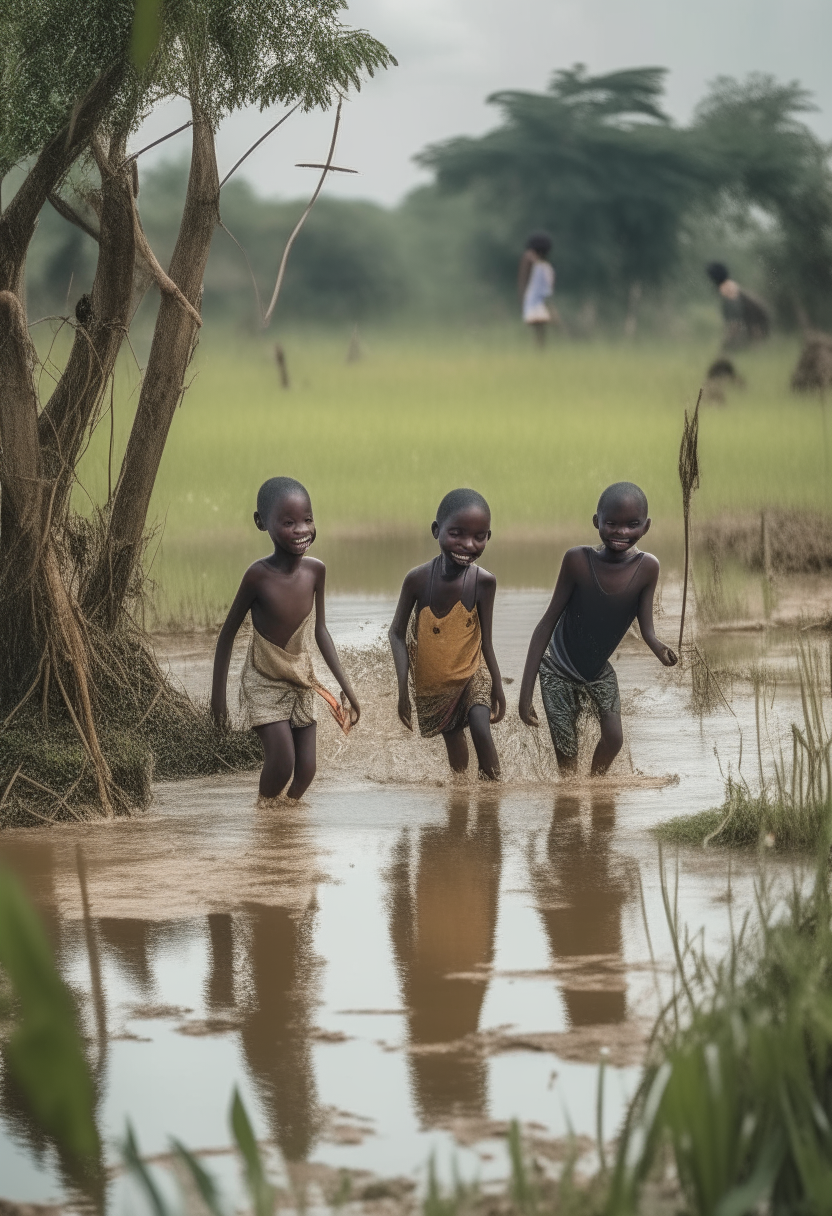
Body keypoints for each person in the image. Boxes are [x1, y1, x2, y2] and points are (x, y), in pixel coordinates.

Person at [211, 476, 360, 801]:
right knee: (282, 762)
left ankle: (284, 830)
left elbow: (321, 632)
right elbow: (226, 636)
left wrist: (347, 688)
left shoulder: (315, 571)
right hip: (263, 683)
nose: (301, 529)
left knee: (306, 771)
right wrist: (218, 702)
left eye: (307, 519)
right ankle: (263, 814)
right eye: (289, 522)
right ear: (261, 522)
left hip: (301, 680)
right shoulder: (257, 576)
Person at [518, 482, 677, 776]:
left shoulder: (647, 568)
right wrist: (525, 694)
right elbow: (546, 623)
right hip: (557, 670)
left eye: (632, 525)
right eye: (612, 524)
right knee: (567, 761)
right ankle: (569, 809)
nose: (621, 532)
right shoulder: (577, 560)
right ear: (597, 522)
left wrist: (660, 649)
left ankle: (596, 788)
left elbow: (646, 629)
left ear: (646, 527)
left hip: (597, 672)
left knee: (614, 739)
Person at [388, 489, 506, 780]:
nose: (468, 544)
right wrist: (403, 688)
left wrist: (497, 686)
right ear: (436, 530)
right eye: (457, 533)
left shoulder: (484, 582)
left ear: (488, 537)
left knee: (480, 726)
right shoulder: (417, 579)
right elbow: (396, 634)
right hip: (435, 681)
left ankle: (492, 802)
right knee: (455, 745)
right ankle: (461, 798)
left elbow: (487, 642)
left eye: (479, 536)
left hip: (471, 672)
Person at [705, 262, 770, 349]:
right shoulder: (732, 286)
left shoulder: (728, 291)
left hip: (757, 326)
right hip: (758, 324)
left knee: (736, 347)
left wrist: (724, 345)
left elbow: (735, 324)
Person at [518, 231, 557, 346]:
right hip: (539, 302)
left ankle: (539, 353)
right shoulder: (545, 267)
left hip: (535, 302)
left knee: (539, 332)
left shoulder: (540, 266)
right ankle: (540, 353)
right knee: (540, 332)